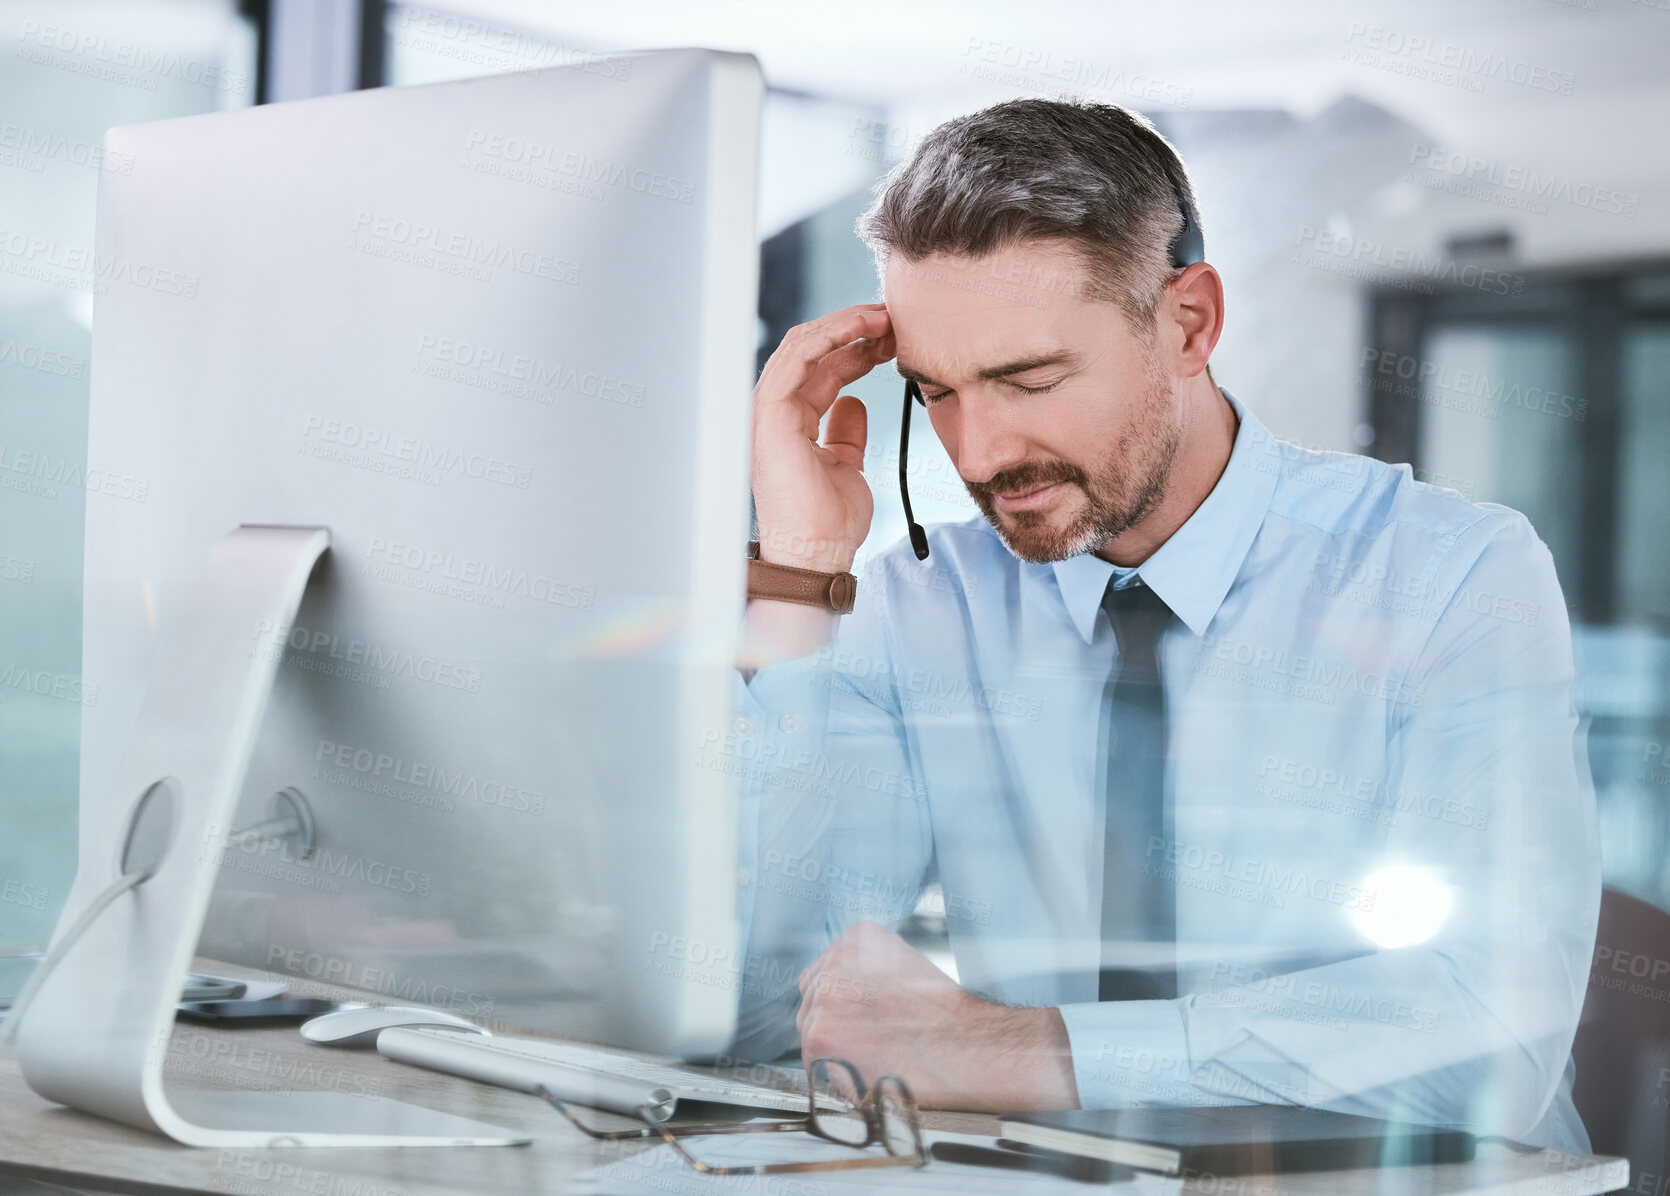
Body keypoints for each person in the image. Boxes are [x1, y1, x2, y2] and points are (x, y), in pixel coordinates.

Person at [722, 96, 1599, 1151]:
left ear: (1188, 323)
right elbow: (756, 1010)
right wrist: (798, 575)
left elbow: (1494, 1030)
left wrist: (1032, 1050)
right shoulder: (921, 606)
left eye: (1027, 378)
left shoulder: (1452, 572)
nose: (980, 452)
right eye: (934, 391)